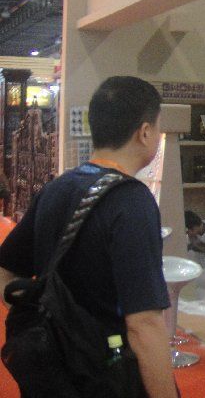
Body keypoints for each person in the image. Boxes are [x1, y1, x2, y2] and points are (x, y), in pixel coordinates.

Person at [0, 76, 178, 398]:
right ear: (145, 132)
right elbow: (144, 324)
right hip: (106, 374)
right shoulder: (132, 202)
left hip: (53, 372)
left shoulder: (56, 188)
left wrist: (47, 313)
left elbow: (5, 270)